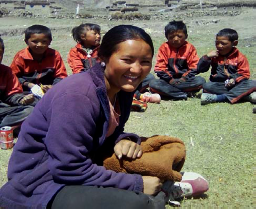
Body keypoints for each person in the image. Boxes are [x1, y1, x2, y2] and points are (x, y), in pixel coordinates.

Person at [0, 25, 208, 209]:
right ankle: (160, 193)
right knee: (137, 204)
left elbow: (107, 129)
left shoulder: (123, 89)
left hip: (86, 160)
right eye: (127, 60)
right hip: (41, 179)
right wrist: (136, 184)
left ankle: (159, 182)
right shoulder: (77, 95)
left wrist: (121, 139)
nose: (136, 70)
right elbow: (67, 167)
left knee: (166, 147)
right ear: (103, 58)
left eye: (145, 61)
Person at [10, 25, 68, 103]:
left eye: (44, 41)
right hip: (26, 91)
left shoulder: (54, 55)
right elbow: (13, 77)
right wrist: (28, 84)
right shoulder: (21, 57)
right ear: (26, 41)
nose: (39, 45)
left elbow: (61, 75)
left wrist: (53, 87)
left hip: (49, 90)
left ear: (50, 41)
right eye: (35, 41)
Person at [149, 20, 206, 100]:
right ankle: (183, 94)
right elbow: (160, 68)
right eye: (171, 37)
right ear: (166, 37)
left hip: (185, 80)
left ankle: (171, 93)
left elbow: (194, 66)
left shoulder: (189, 48)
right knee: (153, 83)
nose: (175, 39)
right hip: (168, 81)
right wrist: (170, 79)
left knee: (201, 81)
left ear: (186, 36)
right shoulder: (164, 48)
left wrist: (184, 78)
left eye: (179, 36)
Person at [198, 28, 256, 105]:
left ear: (234, 43)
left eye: (223, 43)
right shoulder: (214, 56)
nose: (219, 46)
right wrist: (206, 57)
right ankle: (245, 95)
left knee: (252, 83)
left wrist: (234, 79)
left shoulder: (240, 57)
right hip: (219, 85)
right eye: (217, 43)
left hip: (236, 84)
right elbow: (200, 69)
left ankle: (218, 98)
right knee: (207, 86)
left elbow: (244, 74)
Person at [0, 37, 34, 128]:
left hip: (2, 110)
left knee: (30, 111)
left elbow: (11, 94)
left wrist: (21, 100)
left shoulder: (6, 71)